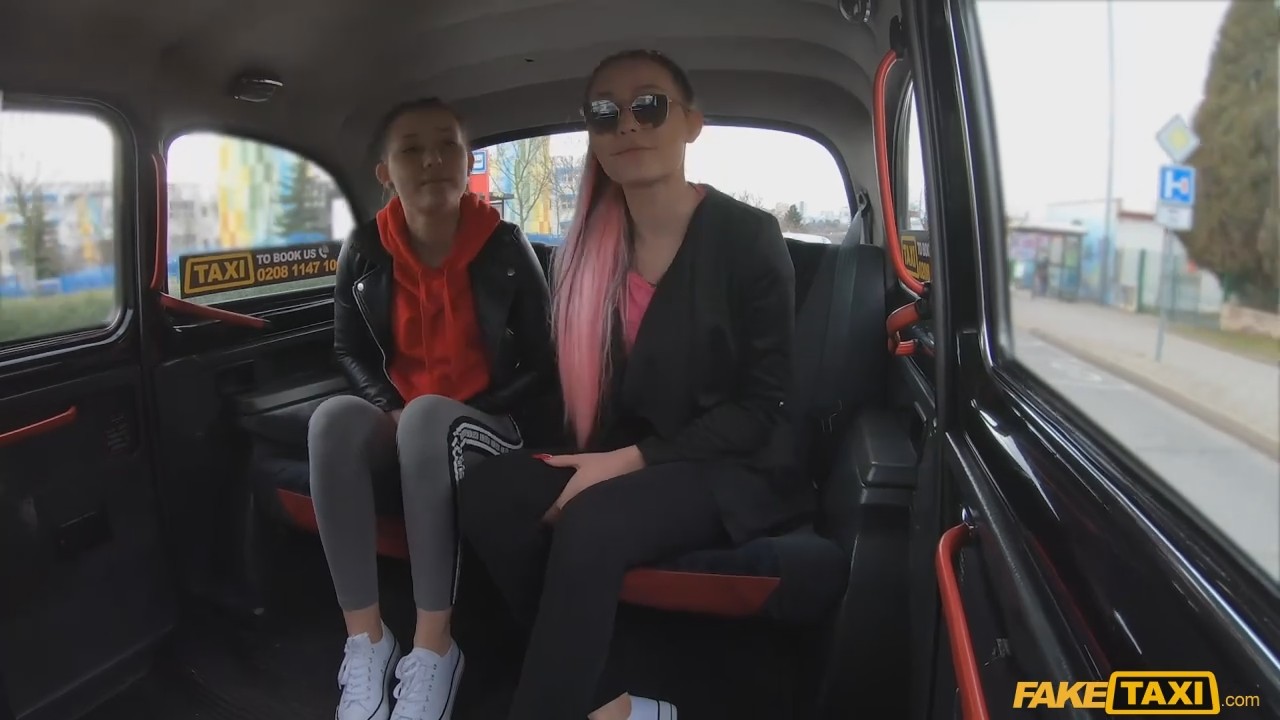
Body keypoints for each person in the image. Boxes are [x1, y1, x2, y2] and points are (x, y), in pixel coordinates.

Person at [457, 50, 810, 720]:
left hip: (731, 462)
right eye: (604, 113)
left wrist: (626, 462)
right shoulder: (586, 251)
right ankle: (607, 697)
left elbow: (765, 407)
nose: (627, 124)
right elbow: (564, 392)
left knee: (592, 521)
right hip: (627, 451)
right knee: (489, 493)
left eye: (649, 106)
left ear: (691, 124)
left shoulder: (748, 238)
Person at [308, 97, 557, 720]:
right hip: (406, 415)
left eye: (447, 145)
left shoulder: (505, 246)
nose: (432, 160)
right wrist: (388, 406)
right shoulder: (365, 247)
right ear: (385, 171)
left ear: (467, 159)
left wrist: (453, 413)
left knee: (427, 419)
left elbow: (543, 362)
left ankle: (435, 646)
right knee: (331, 420)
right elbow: (349, 348)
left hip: (489, 423)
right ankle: (367, 641)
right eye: (412, 149)